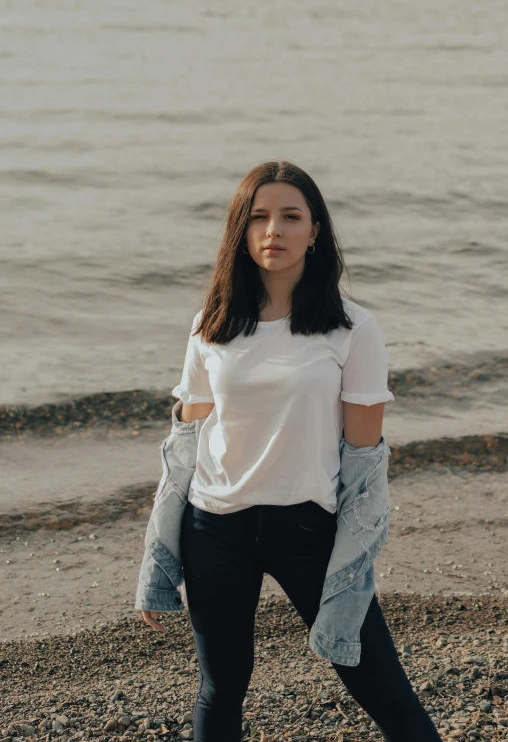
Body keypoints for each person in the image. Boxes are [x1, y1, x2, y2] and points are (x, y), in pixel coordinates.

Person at [141, 161, 442, 742]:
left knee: (382, 687)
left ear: (315, 231)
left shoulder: (352, 329)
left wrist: (355, 556)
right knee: (220, 690)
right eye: (258, 217)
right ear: (241, 232)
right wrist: (159, 552)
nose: (272, 230)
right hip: (215, 526)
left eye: (290, 216)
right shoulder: (211, 326)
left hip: (308, 527)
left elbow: (363, 460)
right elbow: (186, 448)